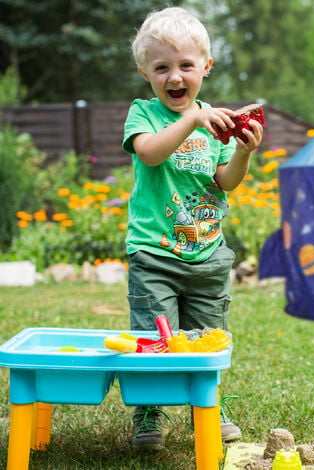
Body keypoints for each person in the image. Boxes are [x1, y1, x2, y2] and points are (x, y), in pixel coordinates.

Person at [122, 7, 263, 449]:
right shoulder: (144, 114)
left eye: (185, 65)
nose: (174, 76)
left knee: (207, 343)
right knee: (154, 340)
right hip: (155, 254)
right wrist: (192, 121)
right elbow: (150, 154)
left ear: (206, 66)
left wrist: (242, 152)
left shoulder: (214, 123)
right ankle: (148, 415)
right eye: (162, 68)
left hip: (207, 256)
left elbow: (224, 182)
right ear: (145, 72)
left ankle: (208, 408)